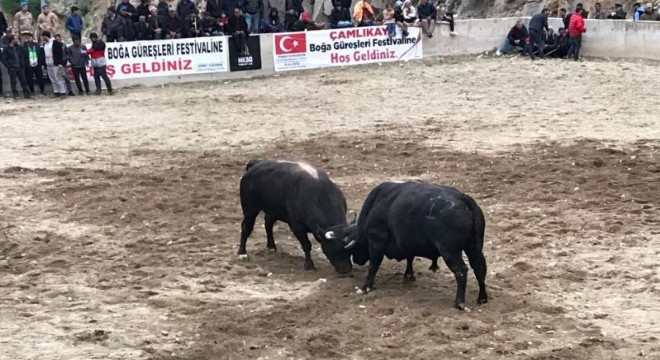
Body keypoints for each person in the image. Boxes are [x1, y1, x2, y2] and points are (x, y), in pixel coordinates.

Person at [1, 34, 31, 99]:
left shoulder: (19, 48)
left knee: (23, 81)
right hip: (12, 68)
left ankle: (26, 93)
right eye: (16, 39)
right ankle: (15, 94)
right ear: (12, 40)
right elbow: (4, 59)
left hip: (20, 67)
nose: (17, 40)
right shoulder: (6, 49)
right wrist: (9, 66)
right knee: (13, 82)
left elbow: (24, 56)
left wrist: (23, 64)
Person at [42, 30, 67, 98]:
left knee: (58, 78)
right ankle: (56, 91)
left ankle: (62, 92)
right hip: (48, 63)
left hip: (55, 63)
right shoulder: (45, 44)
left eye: (44, 37)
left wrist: (60, 63)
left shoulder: (56, 43)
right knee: (52, 78)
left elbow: (60, 54)